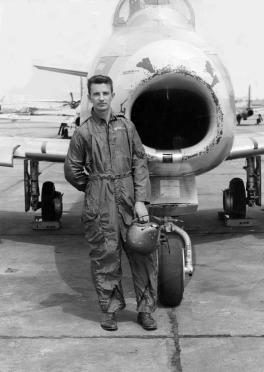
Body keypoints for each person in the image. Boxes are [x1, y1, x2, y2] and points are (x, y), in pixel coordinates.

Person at [64, 75, 157, 331]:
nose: (101, 98)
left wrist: (141, 200)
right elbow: (72, 169)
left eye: (106, 93)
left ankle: (146, 310)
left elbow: (140, 163)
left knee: (143, 252)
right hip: (100, 202)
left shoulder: (127, 128)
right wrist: (93, 188)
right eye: (96, 94)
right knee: (105, 256)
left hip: (129, 197)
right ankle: (110, 311)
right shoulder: (83, 132)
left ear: (112, 95)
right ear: (90, 97)